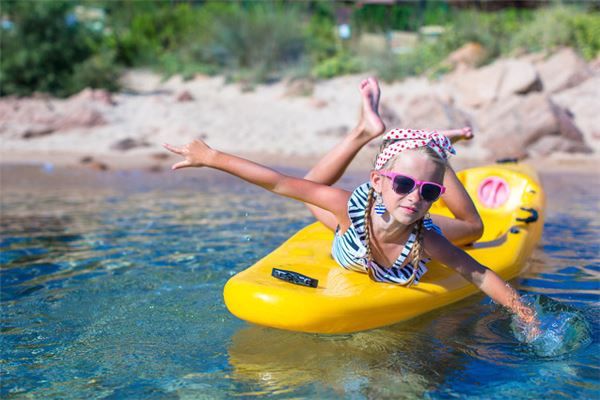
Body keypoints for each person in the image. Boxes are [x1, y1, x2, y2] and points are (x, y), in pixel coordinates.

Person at [163, 77, 537, 327]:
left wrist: (526, 317)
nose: (414, 197)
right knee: (308, 188)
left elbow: (479, 273)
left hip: (373, 234)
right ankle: (391, 139)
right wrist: (213, 158)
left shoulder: (427, 240)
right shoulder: (349, 209)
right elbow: (279, 183)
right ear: (378, 181)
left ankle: (431, 150)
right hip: (356, 233)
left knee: (474, 228)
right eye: (404, 184)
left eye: (427, 192)